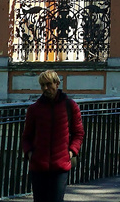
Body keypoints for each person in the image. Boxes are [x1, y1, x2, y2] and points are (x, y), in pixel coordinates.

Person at [21, 70, 84, 202]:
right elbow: (26, 136)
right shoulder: (34, 109)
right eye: (42, 85)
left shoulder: (70, 106)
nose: (45, 88)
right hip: (38, 166)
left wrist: (71, 152)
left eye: (48, 84)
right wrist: (30, 154)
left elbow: (78, 133)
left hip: (60, 166)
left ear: (57, 84)